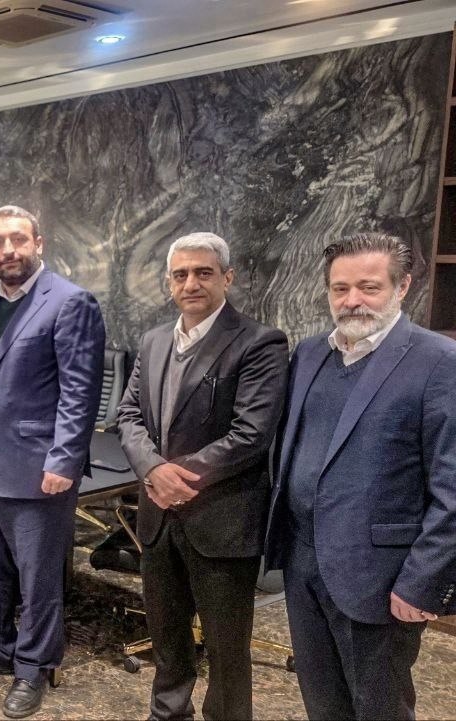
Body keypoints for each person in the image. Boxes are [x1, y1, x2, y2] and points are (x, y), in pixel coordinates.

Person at [266, 232, 456, 720]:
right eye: (340, 288)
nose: (353, 300)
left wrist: (423, 582)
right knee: (322, 703)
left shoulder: (439, 363)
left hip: (380, 576)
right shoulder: (309, 354)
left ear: (402, 286)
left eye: (369, 287)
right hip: (303, 564)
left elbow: (452, 489)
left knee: (379, 708)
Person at [115, 232, 289, 720]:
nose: (191, 283)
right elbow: (128, 415)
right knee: (167, 639)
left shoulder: (260, 342)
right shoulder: (153, 341)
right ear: (169, 282)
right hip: (158, 520)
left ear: (227, 278)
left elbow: (251, 433)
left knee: (227, 650)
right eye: (181, 274)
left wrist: (177, 477)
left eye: (203, 272)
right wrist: (153, 469)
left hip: (221, 521)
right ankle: (167, 713)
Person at [0, 205, 106, 719]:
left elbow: (80, 392)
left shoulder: (70, 301)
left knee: (39, 579)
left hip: (40, 468)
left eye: (18, 239)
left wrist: (65, 459)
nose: (8, 250)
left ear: (38, 243)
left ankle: (33, 666)